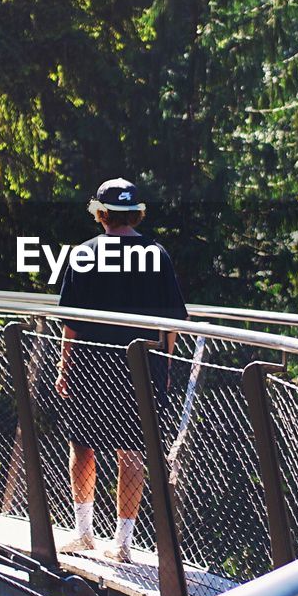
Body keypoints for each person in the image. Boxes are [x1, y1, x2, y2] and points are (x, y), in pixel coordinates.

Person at [54, 178, 188, 564]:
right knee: (131, 451)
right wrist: (163, 365)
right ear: (134, 213)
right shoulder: (156, 255)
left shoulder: (85, 254)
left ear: (102, 214)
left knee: (82, 447)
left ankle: (83, 534)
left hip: (91, 365)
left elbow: (71, 323)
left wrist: (65, 367)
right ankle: (123, 543)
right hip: (140, 365)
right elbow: (173, 321)